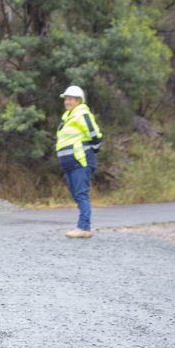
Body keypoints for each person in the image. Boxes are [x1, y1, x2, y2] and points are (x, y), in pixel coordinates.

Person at [55, 85, 103, 238]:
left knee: (81, 194)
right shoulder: (68, 116)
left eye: (70, 99)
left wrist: (92, 150)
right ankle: (83, 226)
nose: (67, 102)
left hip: (80, 162)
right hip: (70, 164)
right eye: (66, 99)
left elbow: (95, 135)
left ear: (78, 100)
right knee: (77, 194)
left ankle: (84, 227)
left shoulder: (82, 114)